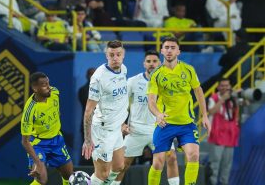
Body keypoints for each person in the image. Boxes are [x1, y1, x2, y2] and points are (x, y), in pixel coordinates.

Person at [147, 36, 211, 185]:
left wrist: (205, 116)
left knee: (194, 155)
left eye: (172, 47)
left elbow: (198, 91)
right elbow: (151, 101)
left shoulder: (188, 70)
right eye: (166, 47)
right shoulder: (156, 74)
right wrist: (157, 114)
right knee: (158, 163)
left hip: (186, 124)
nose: (169, 50)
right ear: (162, 51)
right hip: (165, 124)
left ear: (178, 51)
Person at [111, 50, 180, 185]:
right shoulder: (132, 82)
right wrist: (122, 124)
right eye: (148, 61)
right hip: (136, 130)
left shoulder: (168, 82)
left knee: (171, 157)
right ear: (144, 64)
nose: (151, 64)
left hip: (159, 129)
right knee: (122, 165)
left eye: (154, 61)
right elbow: (120, 103)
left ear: (160, 63)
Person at [82, 40, 128, 185]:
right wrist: (88, 139)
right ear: (106, 56)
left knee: (119, 166)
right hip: (102, 131)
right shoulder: (98, 77)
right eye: (111, 55)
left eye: (118, 54)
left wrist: (122, 122)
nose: (115, 58)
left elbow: (120, 100)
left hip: (116, 128)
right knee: (102, 174)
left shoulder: (124, 70)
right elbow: (88, 111)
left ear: (123, 55)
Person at [21, 72, 74, 185]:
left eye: (48, 83)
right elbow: (25, 141)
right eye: (44, 85)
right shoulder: (30, 110)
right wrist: (38, 163)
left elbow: (57, 111)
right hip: (38, 144)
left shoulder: (55, 92)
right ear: (35, 88)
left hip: (56, 140)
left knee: (69, 176)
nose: (49, 87)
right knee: (41, 179)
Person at [207, 78, 240, 185]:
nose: (225, 88)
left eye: (227, 85)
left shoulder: (232, 99)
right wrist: (222, 100)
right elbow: (211, 112)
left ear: (230, 87)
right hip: (217, 135)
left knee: (227, 165)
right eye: (222, 86)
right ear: (218, 87)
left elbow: (236, 116)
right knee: (215, 164)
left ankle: (224, 183)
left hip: (230, 135)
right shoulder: (214, 98)